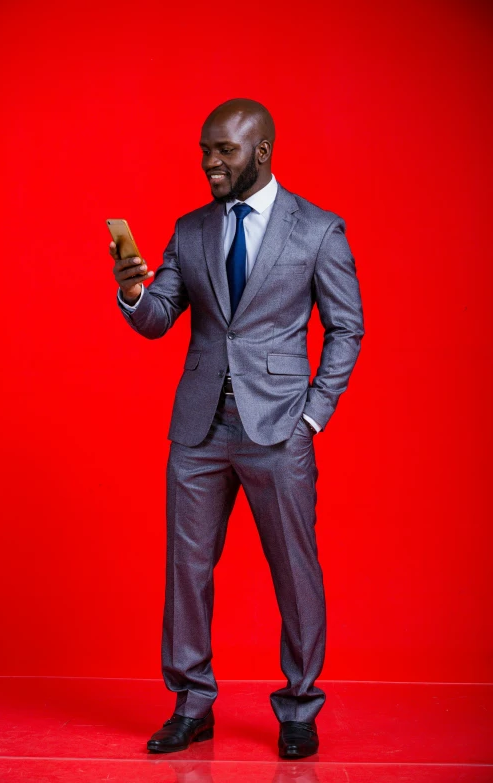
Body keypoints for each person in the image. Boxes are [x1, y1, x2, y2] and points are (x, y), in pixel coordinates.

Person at [110, 98, 364, 759]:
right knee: (186, 569)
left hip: (279, 429)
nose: (209, 162)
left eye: (222, 150)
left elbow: (347, 328)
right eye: (203, 150)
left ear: (261, 151)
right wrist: (134, 291)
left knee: (295, 569)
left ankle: (300, 706)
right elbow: (160, 316)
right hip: (198, 430)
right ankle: (192, 703)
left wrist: (313, 413)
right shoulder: (190, 229)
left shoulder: (318, 229)